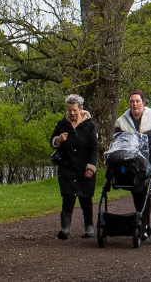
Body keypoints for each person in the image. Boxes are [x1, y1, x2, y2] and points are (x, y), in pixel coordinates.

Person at [114, 89, 151, 237]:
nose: (134, 104)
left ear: (143, 103)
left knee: (147, 191)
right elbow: (117, 142)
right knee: (136, 190)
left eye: (137, 101)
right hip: (132, 164)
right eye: (131, 101)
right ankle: (141, 222)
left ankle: (144, 224)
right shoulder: (122, 122)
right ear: (129, 104)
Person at [50, 94, 98, 239]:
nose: (71, 113)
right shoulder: (61, 124)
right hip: (67, 167)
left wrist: (90, 167)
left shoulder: (90, 125)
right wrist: (58, 139)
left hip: (84, 168)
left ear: (81, 109)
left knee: (85, 198)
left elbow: (94, 148)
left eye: (74, 110)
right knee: (68, 197)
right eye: (69, 110)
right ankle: (65, 229)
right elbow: (51, 141)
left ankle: (89, 227)